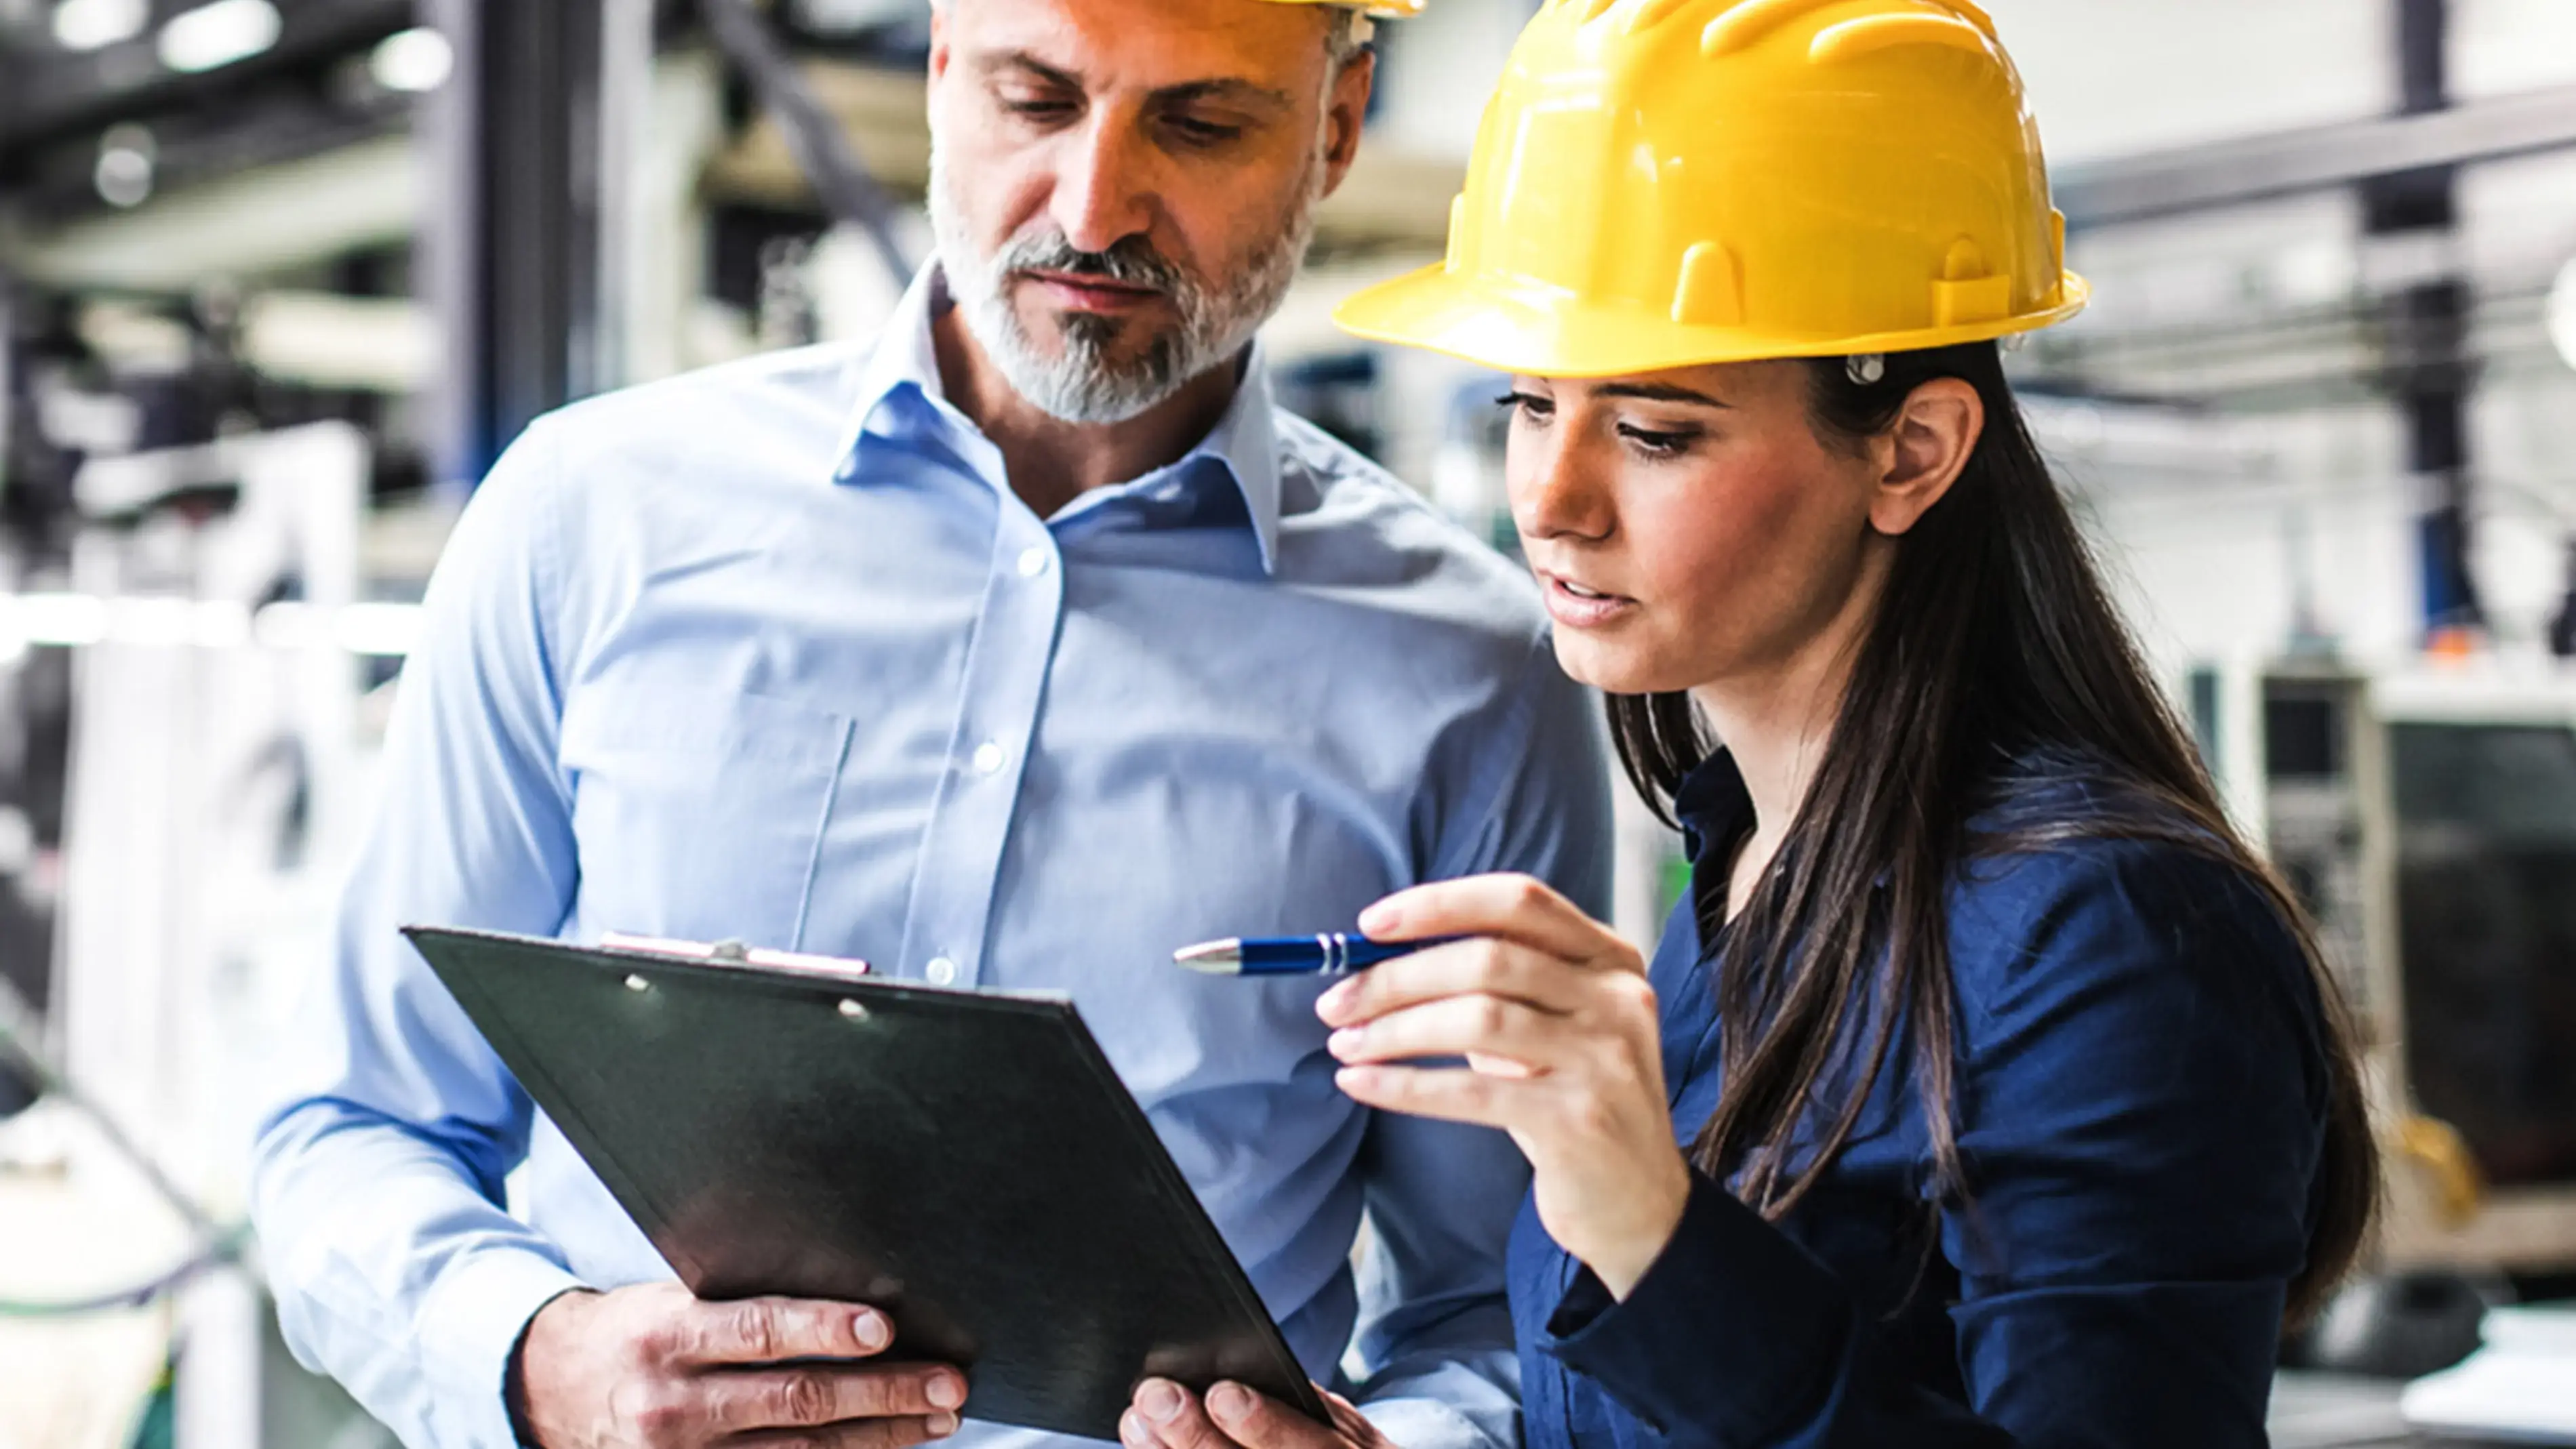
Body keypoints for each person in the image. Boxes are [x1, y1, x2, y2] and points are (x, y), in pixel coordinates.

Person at [249, 2, 1613, 1447]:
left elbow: (1494, 1310)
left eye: (1200, 124)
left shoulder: (1471, 672)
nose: (1094, 209)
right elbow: (350, 1127)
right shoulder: (588, 521)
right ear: (945, 67)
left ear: (1336, 126)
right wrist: (537, 1359)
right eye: (1037, 99)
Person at [1115, 2, 2381, 1447]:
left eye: (1655, 431)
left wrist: (1656, 1236)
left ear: (1911, 452)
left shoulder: (2105, 940)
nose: (1551, 501)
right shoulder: (1744, 878)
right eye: (1530, 405)